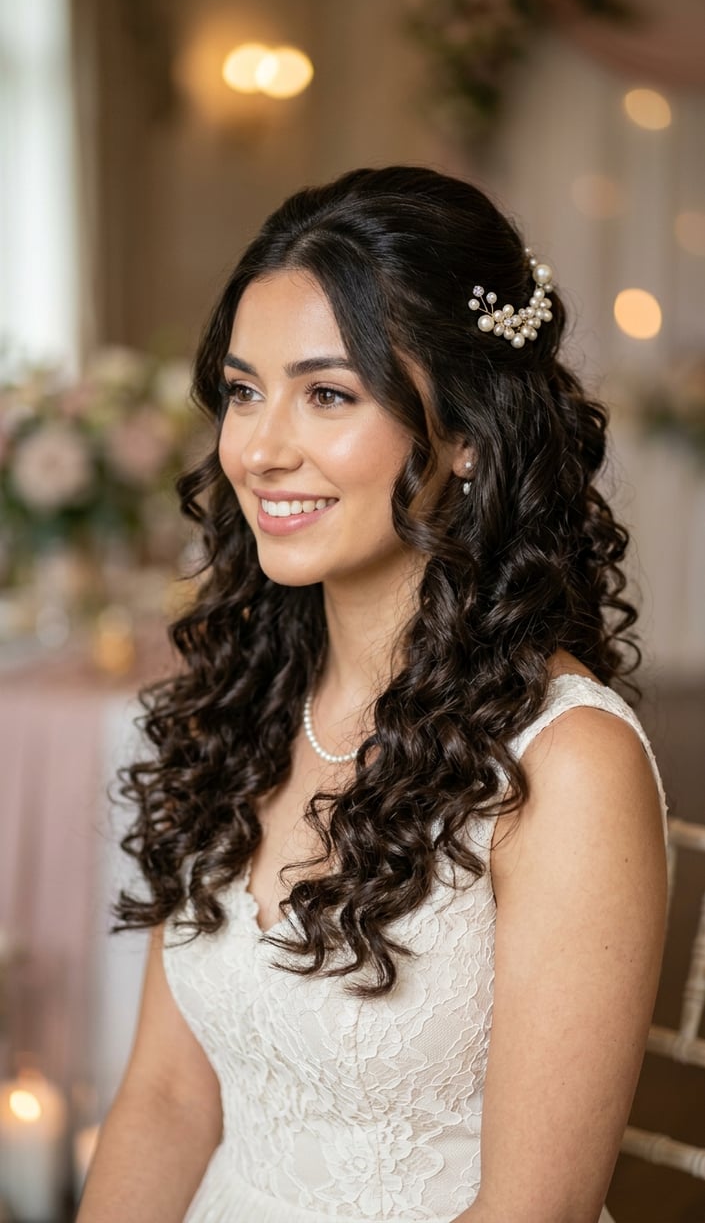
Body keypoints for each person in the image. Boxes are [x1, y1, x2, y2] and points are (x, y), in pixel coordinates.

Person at [78, 166, 668, 1223]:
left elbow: (533, 1212)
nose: (259, 448)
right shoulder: (243, 701)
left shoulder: (566, 764)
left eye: (329, 394)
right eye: (245, 389)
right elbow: (168, 1100)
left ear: (466, 432)